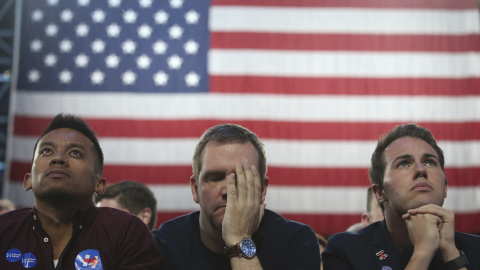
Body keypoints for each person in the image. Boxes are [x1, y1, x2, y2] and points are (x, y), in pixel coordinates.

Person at [0, 114, 162, 269]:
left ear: (99, 184)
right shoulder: (4, 229)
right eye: (46, 151)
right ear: (28, 180)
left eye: (75, 153)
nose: (58, 158)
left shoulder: (126, 230)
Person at [153, 123, 320, 269]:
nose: (227, 191)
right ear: (195, 189)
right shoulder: (161, 245)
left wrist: (238, 238)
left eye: (241, 178)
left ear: (262, 190)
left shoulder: (295, 242)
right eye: (215, 178)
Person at [323, 123, 480, 270]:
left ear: (445, 187)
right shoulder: (346, 250)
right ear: (380, 193)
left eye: (430, 162)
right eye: (403, 163)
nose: (421, 170)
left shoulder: (476, 248)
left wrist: (451, 255)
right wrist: (423, 251)